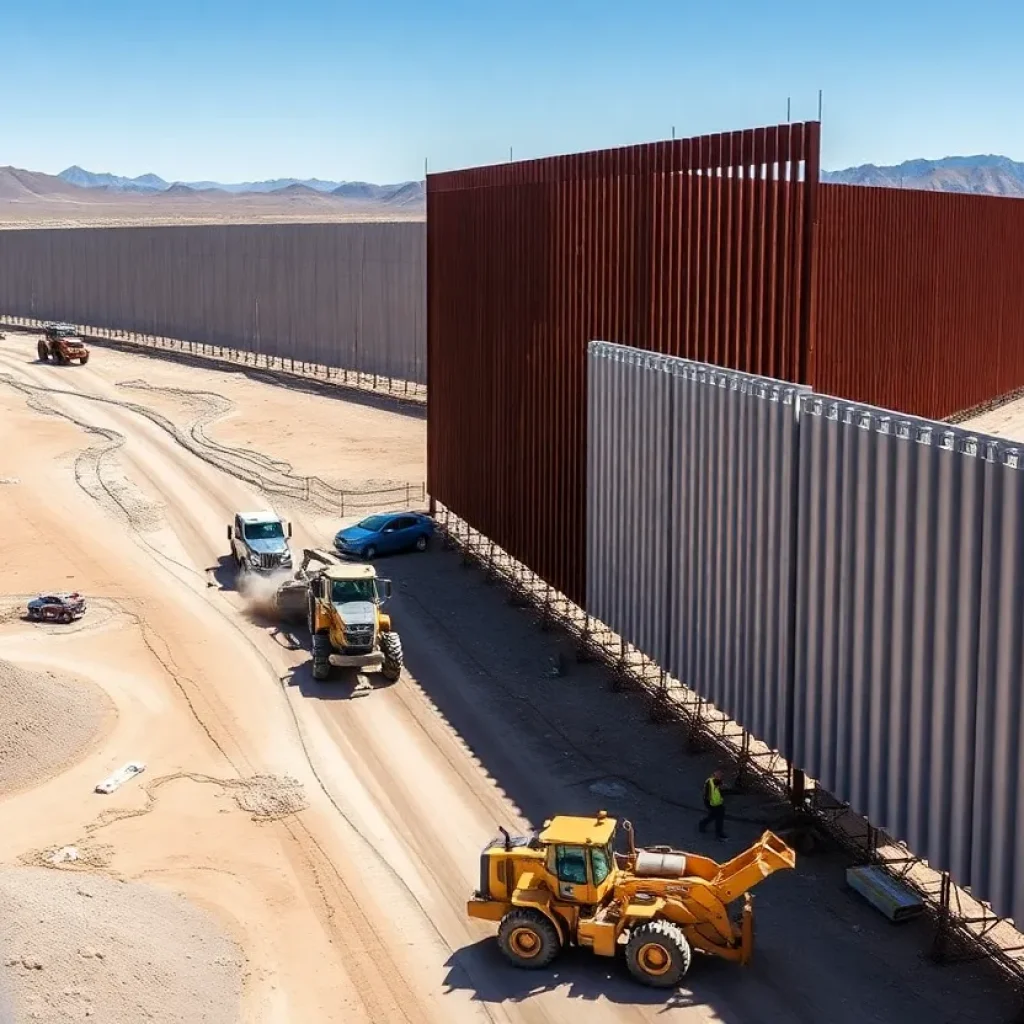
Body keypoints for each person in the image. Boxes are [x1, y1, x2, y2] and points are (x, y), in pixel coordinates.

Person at [698, 769, 729, 840]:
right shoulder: (709, 782)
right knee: (718, 817)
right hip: (711, 804)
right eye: (718, 774)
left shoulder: (719, 782)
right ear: (714, 774)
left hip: (717, 803)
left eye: (721, 775)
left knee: (714, 816)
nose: (720, 776)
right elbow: (707, 794)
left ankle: (702, 824)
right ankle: (719, 833)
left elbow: (721, 792)